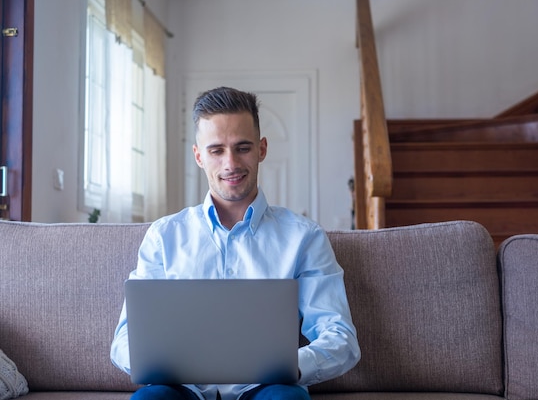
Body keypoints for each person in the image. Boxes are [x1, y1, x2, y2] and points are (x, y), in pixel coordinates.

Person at [110, 86, 361, 400]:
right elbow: (124, 339)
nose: (230, 163)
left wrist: (291, 366)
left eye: (242, 148)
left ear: (262, 149)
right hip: (181, 388)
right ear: (199, 156)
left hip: (268, 387)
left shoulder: (304, 237)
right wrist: (162, 364)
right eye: (216, 150)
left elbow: (340, 337)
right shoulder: (163, 237)